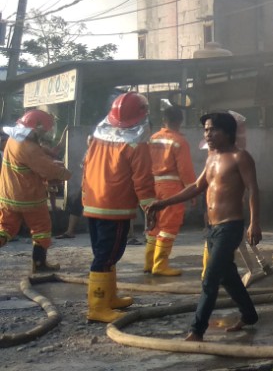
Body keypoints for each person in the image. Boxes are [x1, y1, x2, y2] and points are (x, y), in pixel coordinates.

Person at [146, 112, 260, 342]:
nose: (207, 134)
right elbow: (197, 186)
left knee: (210, 279)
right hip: (213, 228)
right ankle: (249, 315)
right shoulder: (211, 158)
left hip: (231, 226)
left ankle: (197, 330)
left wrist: (254, 223)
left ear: (227, 132)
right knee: (228, 277)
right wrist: (162, 203)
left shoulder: (240, 157)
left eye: (212, 130)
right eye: (206, 130)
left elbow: (254, 190)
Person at [82, 92, 157, 323]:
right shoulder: (137, 144)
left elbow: (85, 165)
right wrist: (150, 208)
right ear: (143, 115)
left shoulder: (97, 136)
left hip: (93, 204)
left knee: (104, 254)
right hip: (115, 208)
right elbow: (143, 180)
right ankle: (98, 307)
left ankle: (109, 297)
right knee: (107, 255)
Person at [0, 110, 72, 272]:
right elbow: (47, 169)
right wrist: (66, 174)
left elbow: (36, 157)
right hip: (29, 197)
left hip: (8, 195)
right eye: (43, 130)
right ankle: (39, 264)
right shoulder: (29, 148)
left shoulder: (14, 140)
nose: (44, 133)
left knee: (5, 229)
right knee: (41, 230)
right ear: (36, 128)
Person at [144, 105, 197, 276]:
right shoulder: (179, 141)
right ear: (180, 121)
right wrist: (192, 190)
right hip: (171, 188)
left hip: (153, 186)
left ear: (163, 120)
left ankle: (149, 262)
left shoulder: (152, 139)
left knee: (154, 224)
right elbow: (185, 170)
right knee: (169, 225)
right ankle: (160, 265)